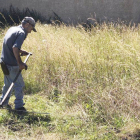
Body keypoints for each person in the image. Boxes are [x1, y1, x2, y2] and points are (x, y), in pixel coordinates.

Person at [0, 17, 37, 111]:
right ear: (27, 25)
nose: (30, 31)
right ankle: (19, 106)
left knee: (8, 84)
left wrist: (21, 51)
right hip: (12, 64)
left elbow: (10, 45)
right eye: (31, 28)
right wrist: (20, 63)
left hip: (4, 62)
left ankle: (2, 103)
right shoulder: (21, 33)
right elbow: (14, 48)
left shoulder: (12, 28)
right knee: (19, 85)